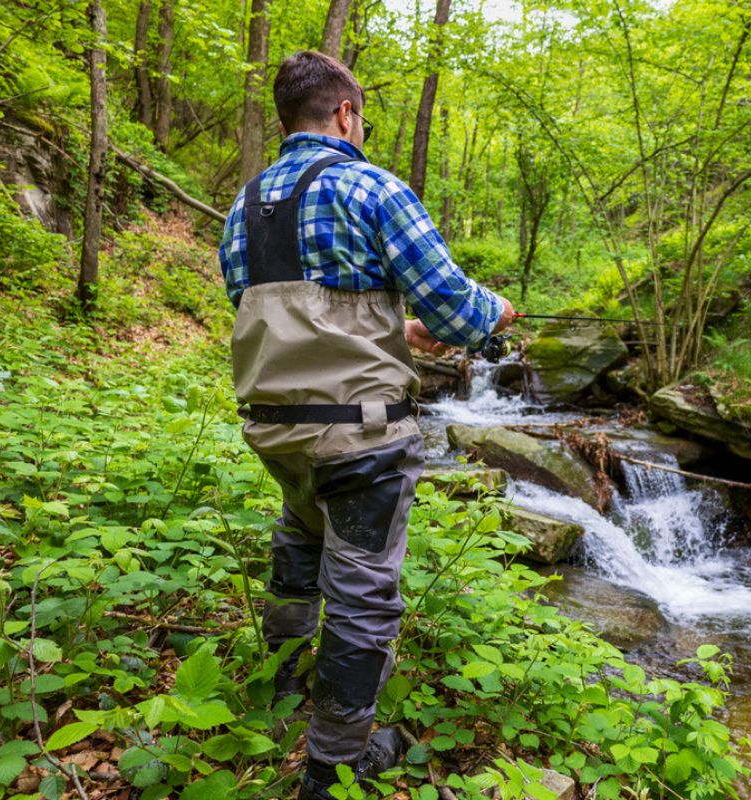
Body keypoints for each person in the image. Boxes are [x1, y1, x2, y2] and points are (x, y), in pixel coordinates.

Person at [217, 49, 514, 800]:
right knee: (362, 595)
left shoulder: (242, 206)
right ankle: (333, 765)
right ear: (346, 114)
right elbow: (455, 303)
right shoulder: (372, 187)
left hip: (278, 432)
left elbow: (279, 318)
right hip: (360, 438)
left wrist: (400, 334)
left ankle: (280, 686)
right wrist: (494, 316)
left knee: (299, 538)